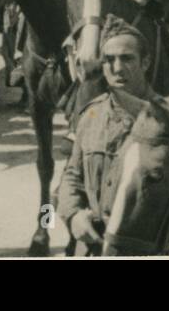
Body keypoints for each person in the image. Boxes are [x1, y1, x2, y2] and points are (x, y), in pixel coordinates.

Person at [55, 16, 157, 256]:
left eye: (127, 58)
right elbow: (72, 175)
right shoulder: (90, 115)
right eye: (109, 60)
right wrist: (73, 216)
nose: (117, 68)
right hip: (95, 247)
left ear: (146, 62)